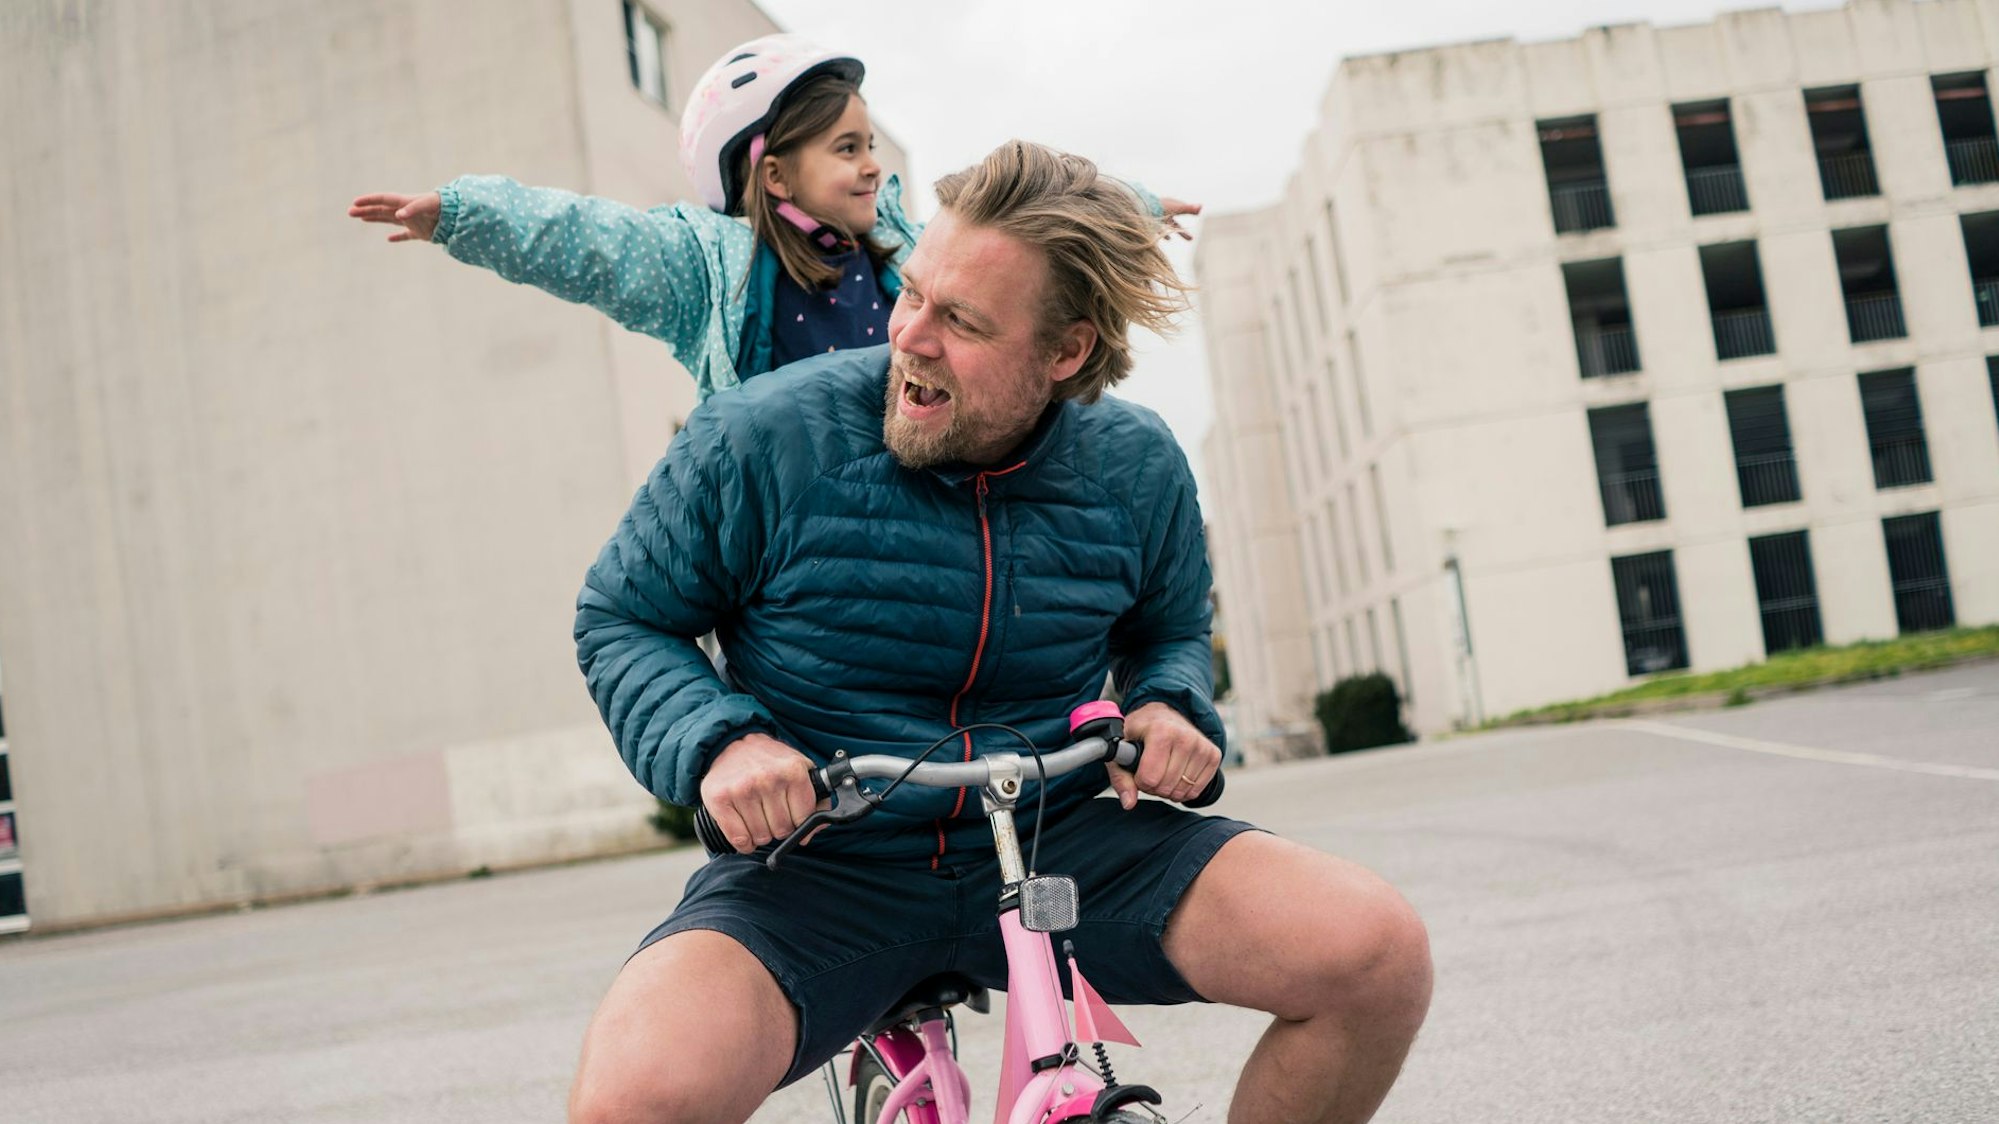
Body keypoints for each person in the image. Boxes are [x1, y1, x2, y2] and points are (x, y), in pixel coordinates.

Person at [569, 141, 1433, 1124]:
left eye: (963, 321)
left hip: (1060, 839)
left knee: (1374, 955)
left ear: (1064, 353)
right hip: (822, 862)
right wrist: (721, 741)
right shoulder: (760, 436)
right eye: (911, 293)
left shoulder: (1136, 466)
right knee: (632, 1105)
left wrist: (1167, 703)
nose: (910, 335)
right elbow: (623, 616)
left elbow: (1168, 631)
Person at [347, 35, 1197, 401]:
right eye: (846, 148)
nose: (872, 165)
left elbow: (1015, 220)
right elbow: (590, 240)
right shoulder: (705, 272)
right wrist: (465, 214)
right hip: (795, 528)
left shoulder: (900, 248)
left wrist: (1128, 207)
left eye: (871, 144)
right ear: (775, 172)